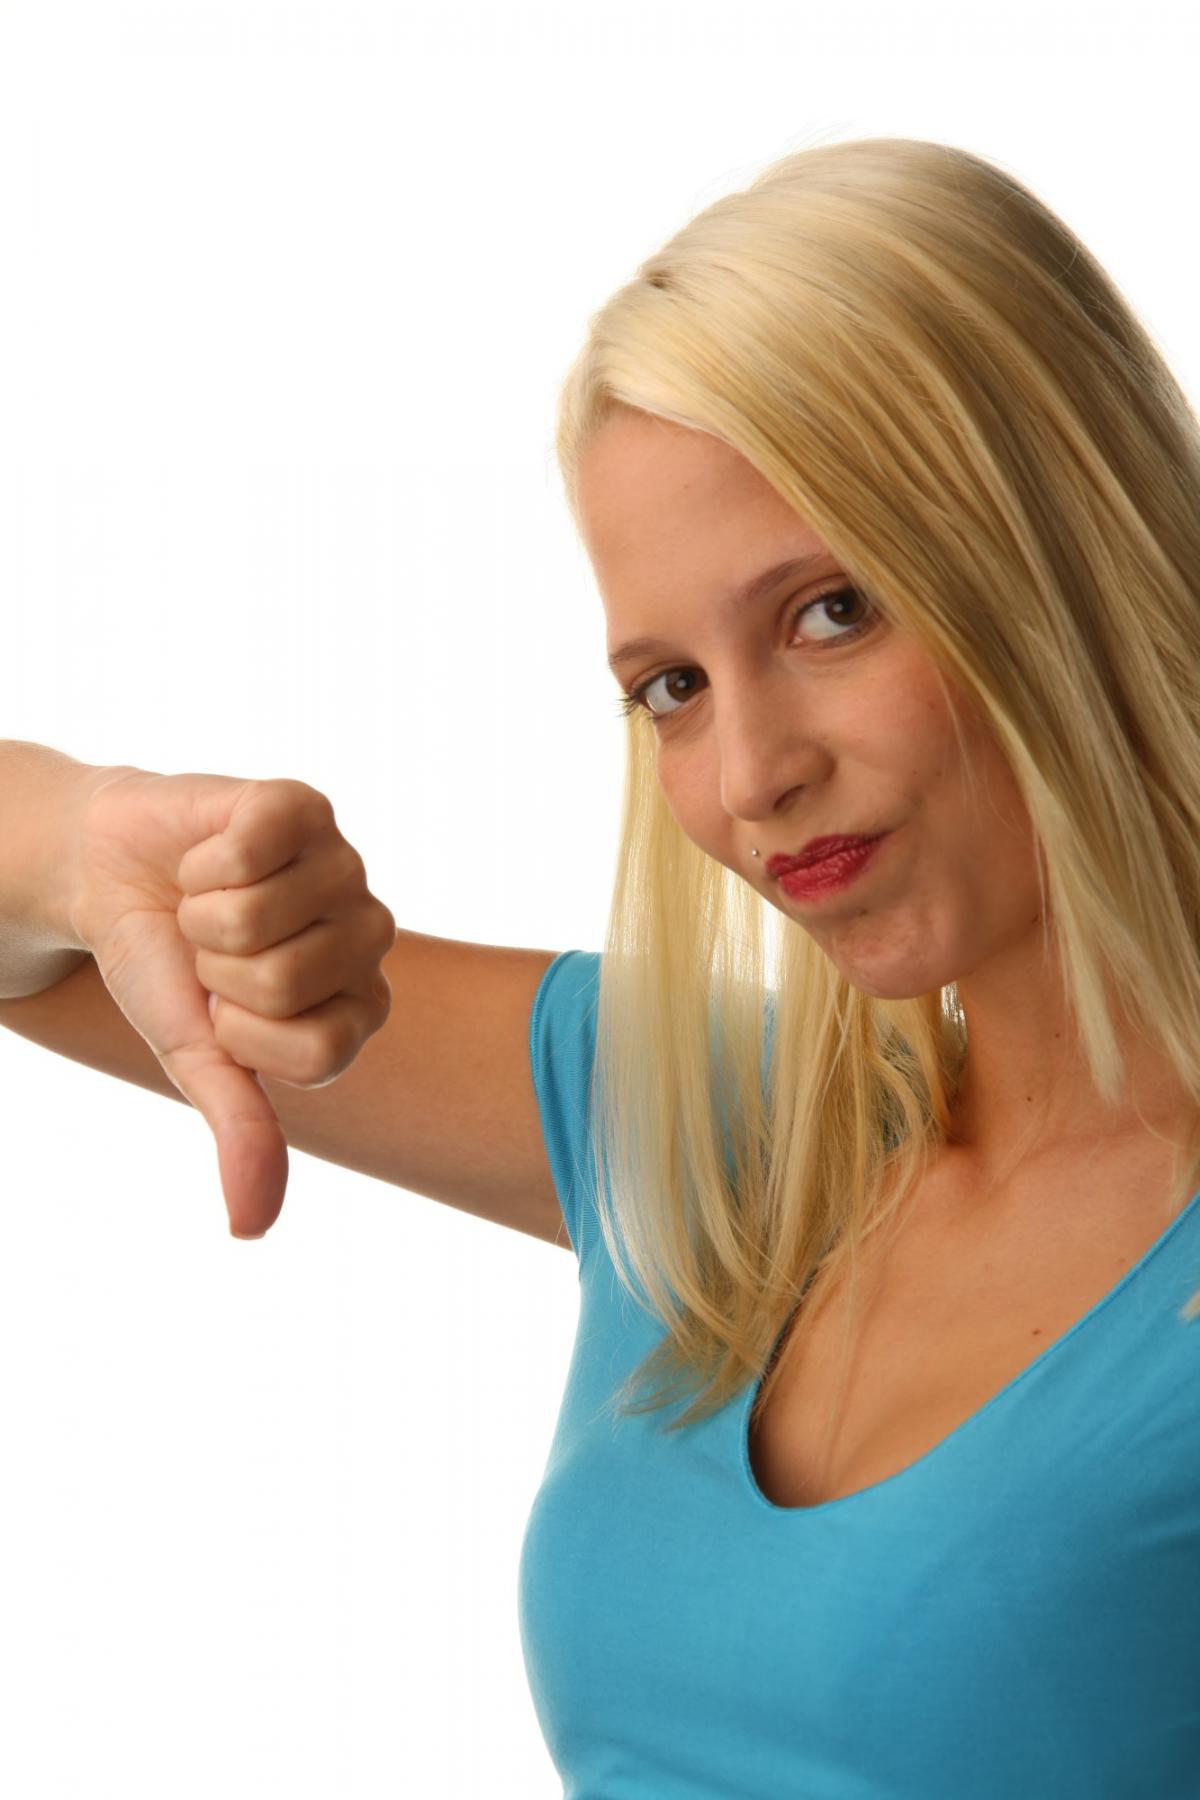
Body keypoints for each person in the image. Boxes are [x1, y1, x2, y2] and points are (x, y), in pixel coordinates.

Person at [3, 134, 1200, 1794]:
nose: (749, 777)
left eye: (833, 610)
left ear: (1065, 544)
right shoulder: (715, 1132)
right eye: (670, 688)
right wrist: (88, 838)